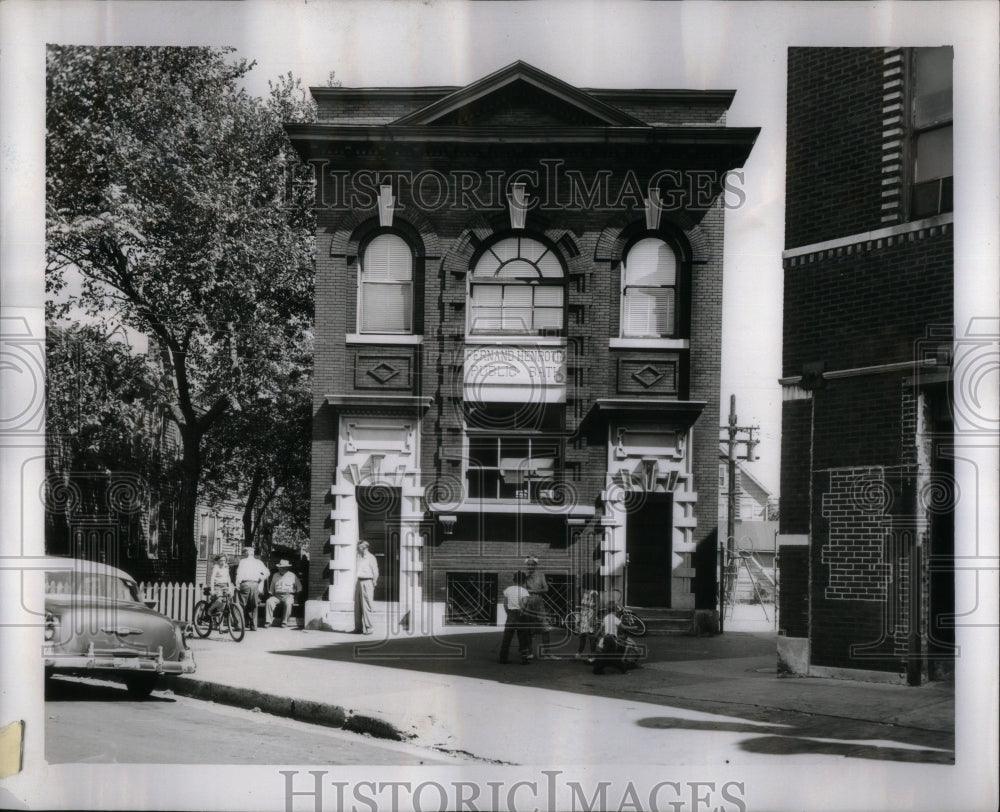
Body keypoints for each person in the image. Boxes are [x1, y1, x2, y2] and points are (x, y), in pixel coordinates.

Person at [523, 556, 555, 658]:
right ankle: (530, 652)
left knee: (545, 628)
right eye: (529, 565)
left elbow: (546, 589)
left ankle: (547, 652)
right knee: (528, 629)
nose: (530, 566)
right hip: (528, 603)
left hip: (539, 603)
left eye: (532, 564)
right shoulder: (525, 577)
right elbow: (523, 590)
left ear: (536, 565)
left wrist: (532, 591)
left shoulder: (541, 576)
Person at [498, 571, 532, 664]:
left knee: (507, 637)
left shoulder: (508, 589)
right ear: (524, 581)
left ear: (514, 580)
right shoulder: (524, 591)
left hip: (511, 614)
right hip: (521, 615)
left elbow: (505, 603)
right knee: (523, 637)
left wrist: (508, 612)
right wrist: (523, 611)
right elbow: (524, 603)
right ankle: (524, 658)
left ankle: (503, 657)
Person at [234, 546, 270, 631]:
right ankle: (254, 626)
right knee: (253, 605)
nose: (243, 555)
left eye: (244, 553)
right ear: (252, 553)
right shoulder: (258, 562)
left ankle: (239, 624)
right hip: (255, 584)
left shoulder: (243, 561)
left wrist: (237, 584)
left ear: (246, 553)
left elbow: (239, 574)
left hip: (245, 584)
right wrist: (261, 578)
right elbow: (267, 572)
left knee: (240, 604)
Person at [265, 560, 302, 628]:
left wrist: (296, 598)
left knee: (288, 603)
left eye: (282, 567)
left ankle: (284, 622)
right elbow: (272, 587)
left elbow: (299, 588)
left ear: (287, 568)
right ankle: (268, 621)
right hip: (277, 595)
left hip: (288, 595)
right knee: (269, 602)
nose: (280, 569)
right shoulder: (275, 575)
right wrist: (270, 596)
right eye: (279, 567)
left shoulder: (292, 575)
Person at [354, 540, 379, 635]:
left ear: (365, 548)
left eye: (359, 547)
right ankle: (358, 628)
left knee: (367, 605)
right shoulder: (358, 557)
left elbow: (375, 571)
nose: (357, 549)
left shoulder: (371, 558)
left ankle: (369, 628)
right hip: (359, 581)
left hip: (367, 581)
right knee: (358, 606)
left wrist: (374, 582)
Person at [575, 589, 600, 662]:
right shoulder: (583, 591)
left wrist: (593, 618)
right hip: (583, 616)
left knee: (591, 637)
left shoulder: (594, 593)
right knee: (582, 636)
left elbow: (597, 607)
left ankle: (592, 656)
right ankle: (579, 653)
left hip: (590, 616)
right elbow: (581, 607)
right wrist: (579, 618)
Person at [207, 554, 233, 622]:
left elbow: (228, 578)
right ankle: (209, 610)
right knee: (219, 599)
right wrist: (212, 589)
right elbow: (212, 578)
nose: (222, 562)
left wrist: (229, 588)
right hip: (217, 586)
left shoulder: (226, 568)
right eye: (221, 560)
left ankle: (220, 625)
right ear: (218, 561)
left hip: (225, 586)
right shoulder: (216, 567)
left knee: (225, 603)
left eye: (224, 560)